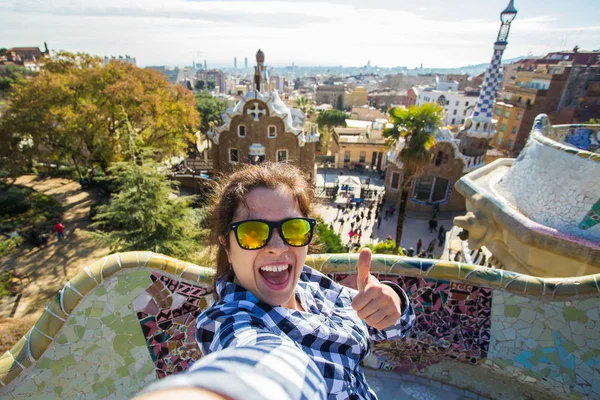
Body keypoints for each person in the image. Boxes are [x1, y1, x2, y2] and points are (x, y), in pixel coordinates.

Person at [135, 162, 415, 400]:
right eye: (253, 232)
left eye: (294, 229)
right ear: (227, 247)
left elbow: (388, 328)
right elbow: (259, 361)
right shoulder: (232, 319)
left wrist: (392, 301)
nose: (278, 247)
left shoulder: (314, 287)